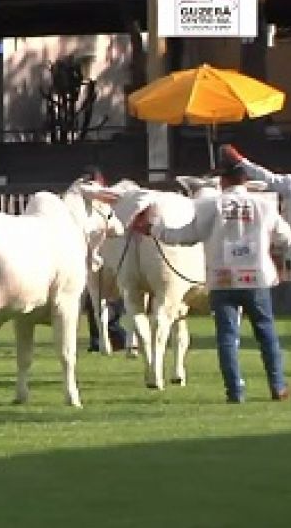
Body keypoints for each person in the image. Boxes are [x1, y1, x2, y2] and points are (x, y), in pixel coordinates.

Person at [129, 160, 291, 403]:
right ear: (245, 181)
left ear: (223, 181)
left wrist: (154, 229)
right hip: (256, 278)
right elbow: (285, 238)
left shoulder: (210, 205)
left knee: (227, 337)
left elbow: (184, 236)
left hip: (222, 280)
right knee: (266, 334)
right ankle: (277, 386)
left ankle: (235, 391)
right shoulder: (264, 206)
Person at [81, 165, 128, 353]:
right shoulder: (100, 201)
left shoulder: (86, 200)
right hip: (101, 254)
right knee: (110, 299)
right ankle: (109, 336)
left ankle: (101, 338)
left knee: (98, 300)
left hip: (95, 253)